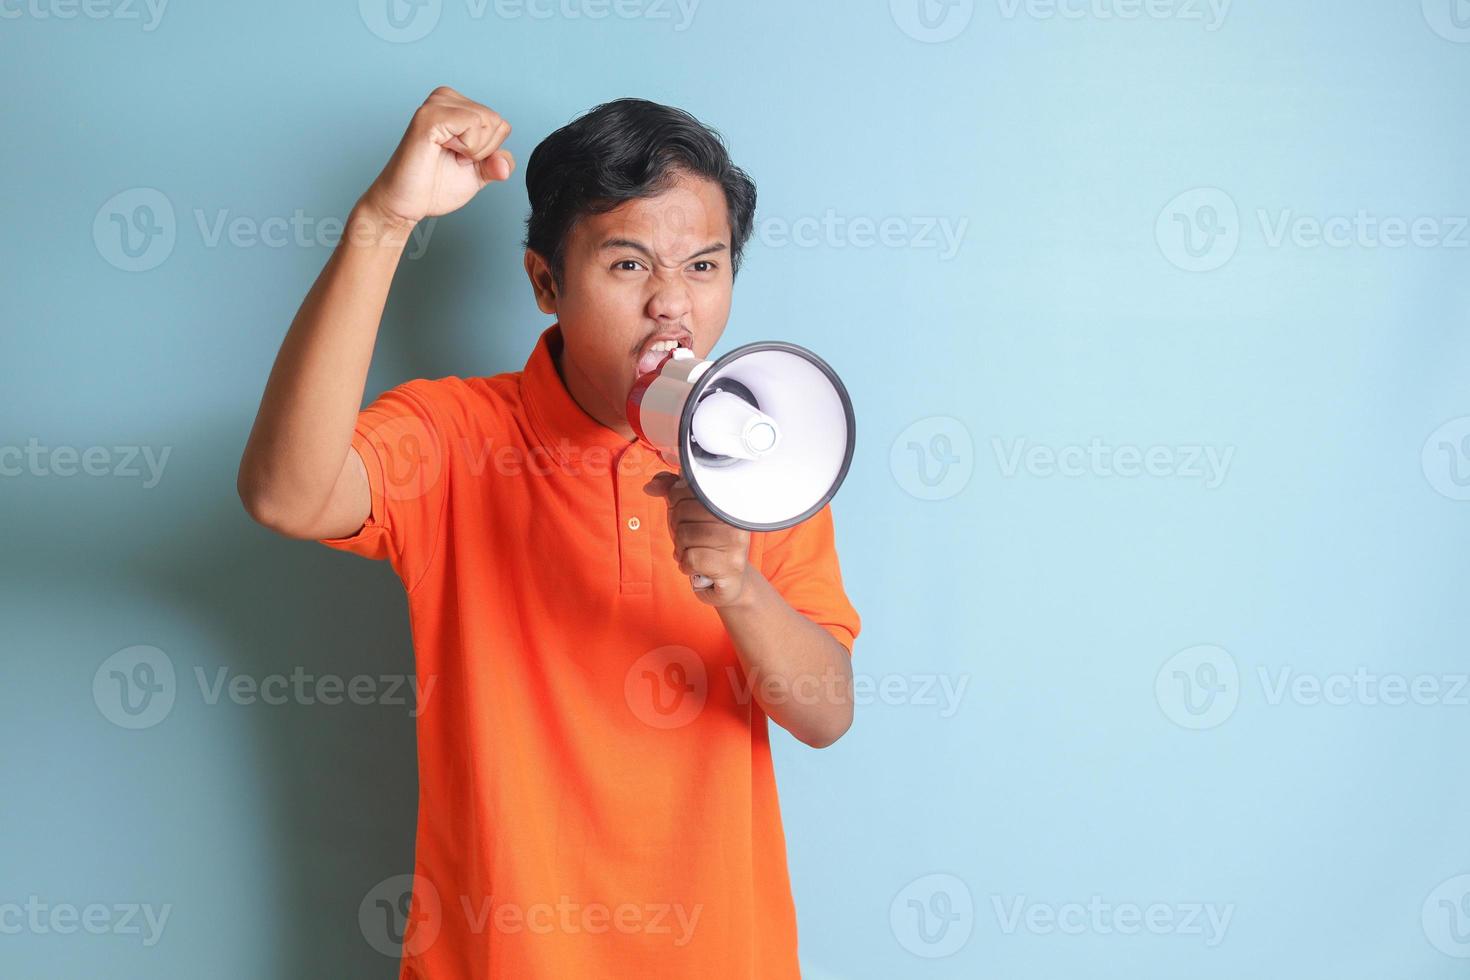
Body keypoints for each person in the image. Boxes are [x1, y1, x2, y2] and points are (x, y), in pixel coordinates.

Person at [236, 86, 861, 979]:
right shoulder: (453, 437)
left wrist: (737, 580)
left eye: (704, 267)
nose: (672, 308)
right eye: (629, 266)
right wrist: (384, 220)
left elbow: (827, 712)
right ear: (544, 283)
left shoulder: (770, 457)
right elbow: (285, 496)